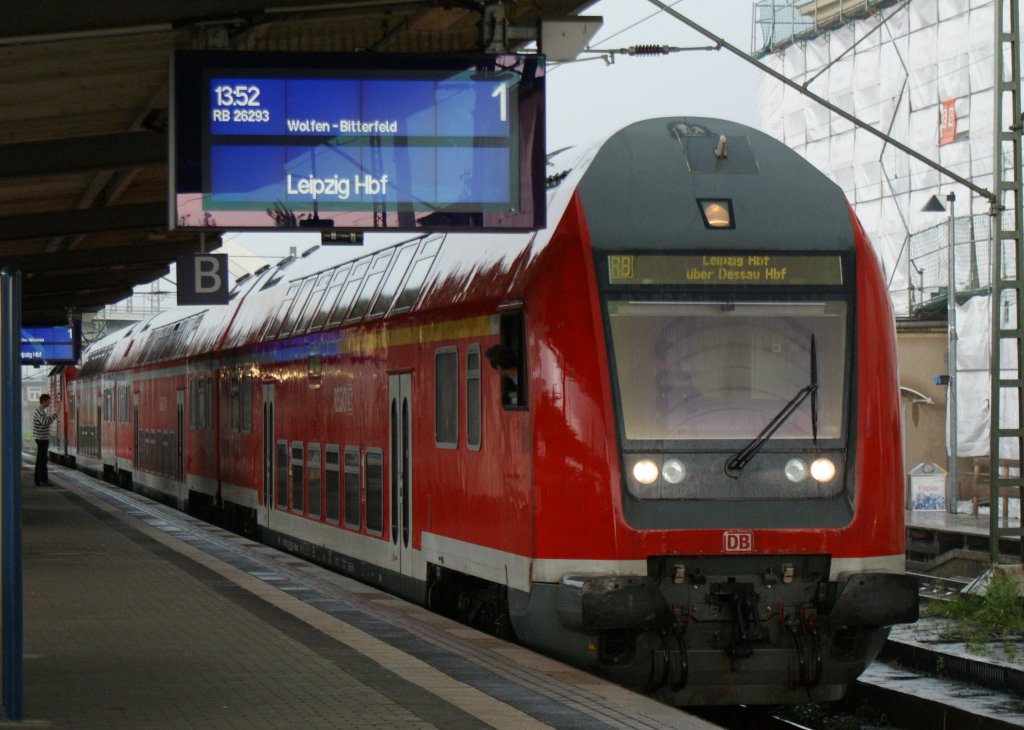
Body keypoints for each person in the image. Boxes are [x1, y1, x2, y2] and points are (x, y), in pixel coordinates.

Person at [33, 393, 58, 486]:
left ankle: (42, 480)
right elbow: (45, 422)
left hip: (42, 438)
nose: (49, 402)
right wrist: (56, 414)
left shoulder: (41, 411)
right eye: (48, 401)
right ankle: (40, 480)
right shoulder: (40, 411)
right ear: (44, 401)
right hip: (42, 439)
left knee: (42, 460)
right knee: (41, 460)